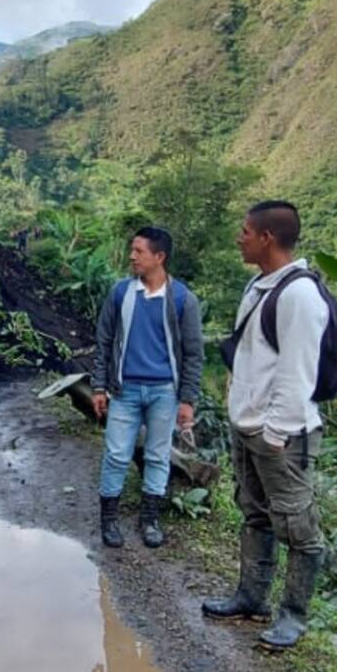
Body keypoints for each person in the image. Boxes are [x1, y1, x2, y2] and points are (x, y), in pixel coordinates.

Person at [202, 200, 328, 651]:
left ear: (267, 238)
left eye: (245, 231)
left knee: (299, 528)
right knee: (255, 514)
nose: (239, 237)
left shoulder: (299, 296)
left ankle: (292, 617)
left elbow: (299, 374)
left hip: (282, 436)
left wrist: (275, 433)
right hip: (249, 427)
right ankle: (250, 598)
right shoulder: (259, 285)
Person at [90, 227, 204, 549]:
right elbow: (105, 341)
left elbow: (194, 354)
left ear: (159, 257)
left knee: (157, 456)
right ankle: (108, 520)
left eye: (139, 251)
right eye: (132, 249)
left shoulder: (182, 299)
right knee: (115, 454)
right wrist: (99, 386)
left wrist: (188, 400)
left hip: (164, 392)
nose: (132, 256)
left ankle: (150, 519)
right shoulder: (121, 293)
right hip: (125, 390)